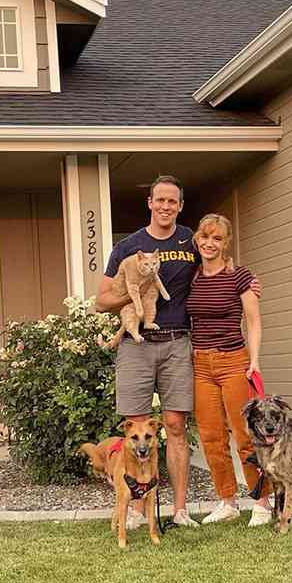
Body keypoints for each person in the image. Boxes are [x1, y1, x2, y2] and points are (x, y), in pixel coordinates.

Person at [96, 175, 199, 528]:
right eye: (160, 200)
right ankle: (138, 511)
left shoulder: (191, 241)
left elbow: (215, 266)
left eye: (172, 201)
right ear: (150, 203)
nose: (166, 206)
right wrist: (134, 294)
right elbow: (101, 300)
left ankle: (180, 510)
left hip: (177, 341)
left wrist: (240, 278)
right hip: (136, 345)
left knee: (176, 425)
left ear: (180, 206)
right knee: (137, 429)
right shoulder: (128, 246)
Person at [186, 213, 273, 527]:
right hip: (200, 365)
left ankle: (262, 502)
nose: (209, 243)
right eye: (205, 236)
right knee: (211, 437)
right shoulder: (191, 276)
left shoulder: (240, 276)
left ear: (226, 243)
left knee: (246, 435)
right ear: (197, 239)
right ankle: (227, 502)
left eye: (217, 238)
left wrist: (254, 360)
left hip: (234, 361)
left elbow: (254, 321)